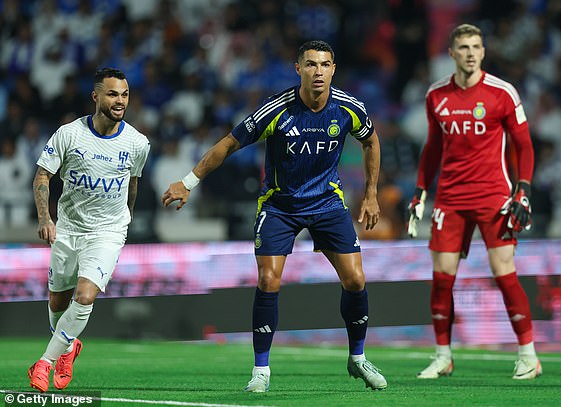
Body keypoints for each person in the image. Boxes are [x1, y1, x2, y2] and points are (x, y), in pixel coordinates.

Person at [162, 40, 387, 392]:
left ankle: (358, 358)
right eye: (310, 64)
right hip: (280, 206)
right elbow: (229, 143)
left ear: (333, 69)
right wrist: (189, 181)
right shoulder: (277, 110)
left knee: (356, 280)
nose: (318, 71)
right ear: (298, 69)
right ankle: (261, 370)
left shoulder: (349, 108)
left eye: (325, 64)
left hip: (327, 203)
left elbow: (371, 141)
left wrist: (371, 194)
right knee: (269, 280)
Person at [407, 24, 541, 380]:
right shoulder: (436, 95)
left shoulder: (502, 92)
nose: (470, 53)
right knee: (441, 279)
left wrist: (523, 189)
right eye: (463, 47)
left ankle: (528, 355)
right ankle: (442, 356)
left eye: (476, 47)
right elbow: (433, 146)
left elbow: (524, 145)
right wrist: (421, 190)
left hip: (493, 194)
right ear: (451, 53)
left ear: (483, 52)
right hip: (450, 198)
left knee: (503, 272)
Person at [28, 68, 150, 392]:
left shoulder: (137, 142)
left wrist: (127, 220)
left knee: (84, 296)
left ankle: (45, 362)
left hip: (107, 232)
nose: (120, 101)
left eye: (124, 94)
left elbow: (132, 184)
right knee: (57, 303)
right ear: (95, 96)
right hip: (68, 229)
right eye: (112, 94)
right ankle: (68, 348)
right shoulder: (69, 134)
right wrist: (45, 219)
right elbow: (42, 177)